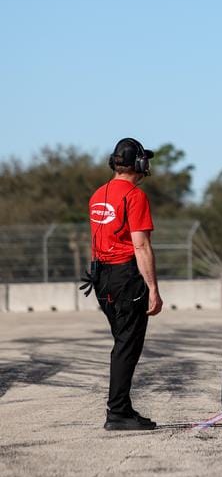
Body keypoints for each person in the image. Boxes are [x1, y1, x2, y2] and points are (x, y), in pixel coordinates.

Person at [87, 138, 163, 431]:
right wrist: (153, 289)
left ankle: (123, 408)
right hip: (125, 277)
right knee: (127, 346)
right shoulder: (134, 195)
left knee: (122, 342)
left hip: (101, 276)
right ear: (140, 164)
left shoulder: (98, 194)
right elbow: (141, 247)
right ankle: (117, 412)